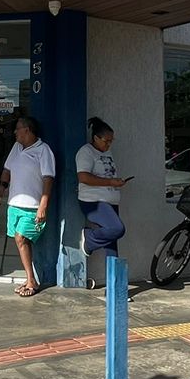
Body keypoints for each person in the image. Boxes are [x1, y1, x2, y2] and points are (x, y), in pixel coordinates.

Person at [0, 116, 55, 296]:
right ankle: (29, 278)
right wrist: (0, 190)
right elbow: (7, 170)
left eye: (17, 129)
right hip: (14, 204)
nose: (15, 132)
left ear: (27, 130)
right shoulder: (16, 148)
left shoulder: (43, 150)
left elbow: (48, 178)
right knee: (20, 241)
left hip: (32, 206)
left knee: (21, 238)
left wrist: (43, 205)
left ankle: (31, 281)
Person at [76, 117, 130, 289]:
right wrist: (111, 183)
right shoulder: (86, 152)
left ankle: (114, 289)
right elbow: (83, 177)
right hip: (94, 201)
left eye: (111, 141)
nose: (109, 145)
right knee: (117, 229)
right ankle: (89, 239)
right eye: (106, 141)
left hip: (110, 200)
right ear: (96, 138)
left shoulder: (107, 152)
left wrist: (116, 182)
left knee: (111, 244)